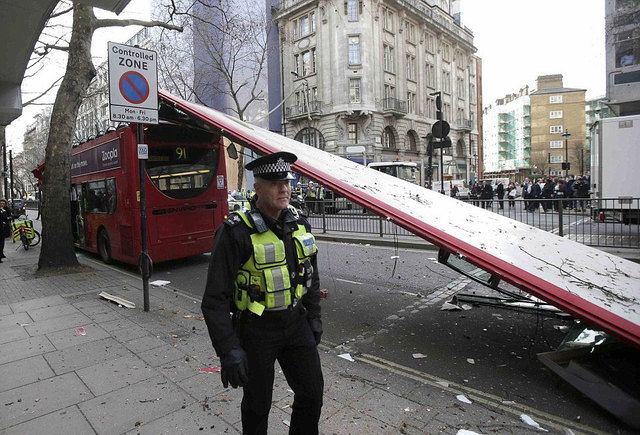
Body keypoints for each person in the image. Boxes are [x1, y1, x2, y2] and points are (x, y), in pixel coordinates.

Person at [201, 152, 324, 435]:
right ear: (256, 187)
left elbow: (310, 275)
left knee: (312, 393)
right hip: (257, 330)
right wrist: (228, 349)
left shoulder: (298, 222)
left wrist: (314, 316)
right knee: (258, 406)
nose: (284, 188)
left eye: (287, 181)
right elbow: (214, 299)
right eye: (274, 183)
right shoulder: (235, 232)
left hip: (296, 324)